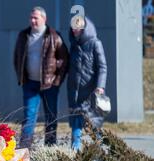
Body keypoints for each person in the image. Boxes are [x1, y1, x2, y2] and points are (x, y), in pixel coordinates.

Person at [13, 6, 69, 148]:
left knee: (51, 117)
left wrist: (57, 81)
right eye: (31, 17)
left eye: (36, 18)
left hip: (50, 85)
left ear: (44, 19)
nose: (32, 20)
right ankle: (25, 149)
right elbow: (17, 58)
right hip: (30, 84)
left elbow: (64, 60)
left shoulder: (54, 36)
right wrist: (22, 77)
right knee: (29, 117)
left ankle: (50, 149)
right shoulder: (23, 36)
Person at [67, 16, 107, 151]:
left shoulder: (95, 43)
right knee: (75, 123)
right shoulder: (73, 45)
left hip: (91, 92)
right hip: (74, 92)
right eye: (73, 28)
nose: (74, 31)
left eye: (77, 28)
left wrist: (100, 86)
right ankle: (75, 152)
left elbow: (102, 67)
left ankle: (99, 152)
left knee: (93, 124)